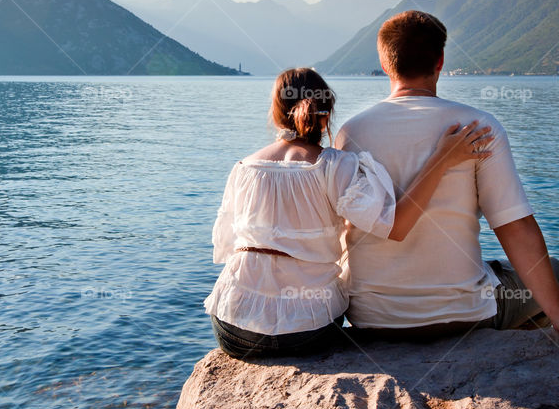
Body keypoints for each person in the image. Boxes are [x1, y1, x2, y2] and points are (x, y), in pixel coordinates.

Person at [336, 10, 559, 355]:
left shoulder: (351, 132)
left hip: (372, 319)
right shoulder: (477, 126)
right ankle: (512, 351)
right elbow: (515, 227)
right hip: (462, 316)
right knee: (557, 273)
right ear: (440, 61)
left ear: (385, 64)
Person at [204, 67, 493, 359]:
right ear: (326, 114)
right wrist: (442, 159)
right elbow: (396, 226)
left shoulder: (243, 168)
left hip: (234, 328)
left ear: (277, 113)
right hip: (307, 332)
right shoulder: (334, 166)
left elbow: (227, 246)